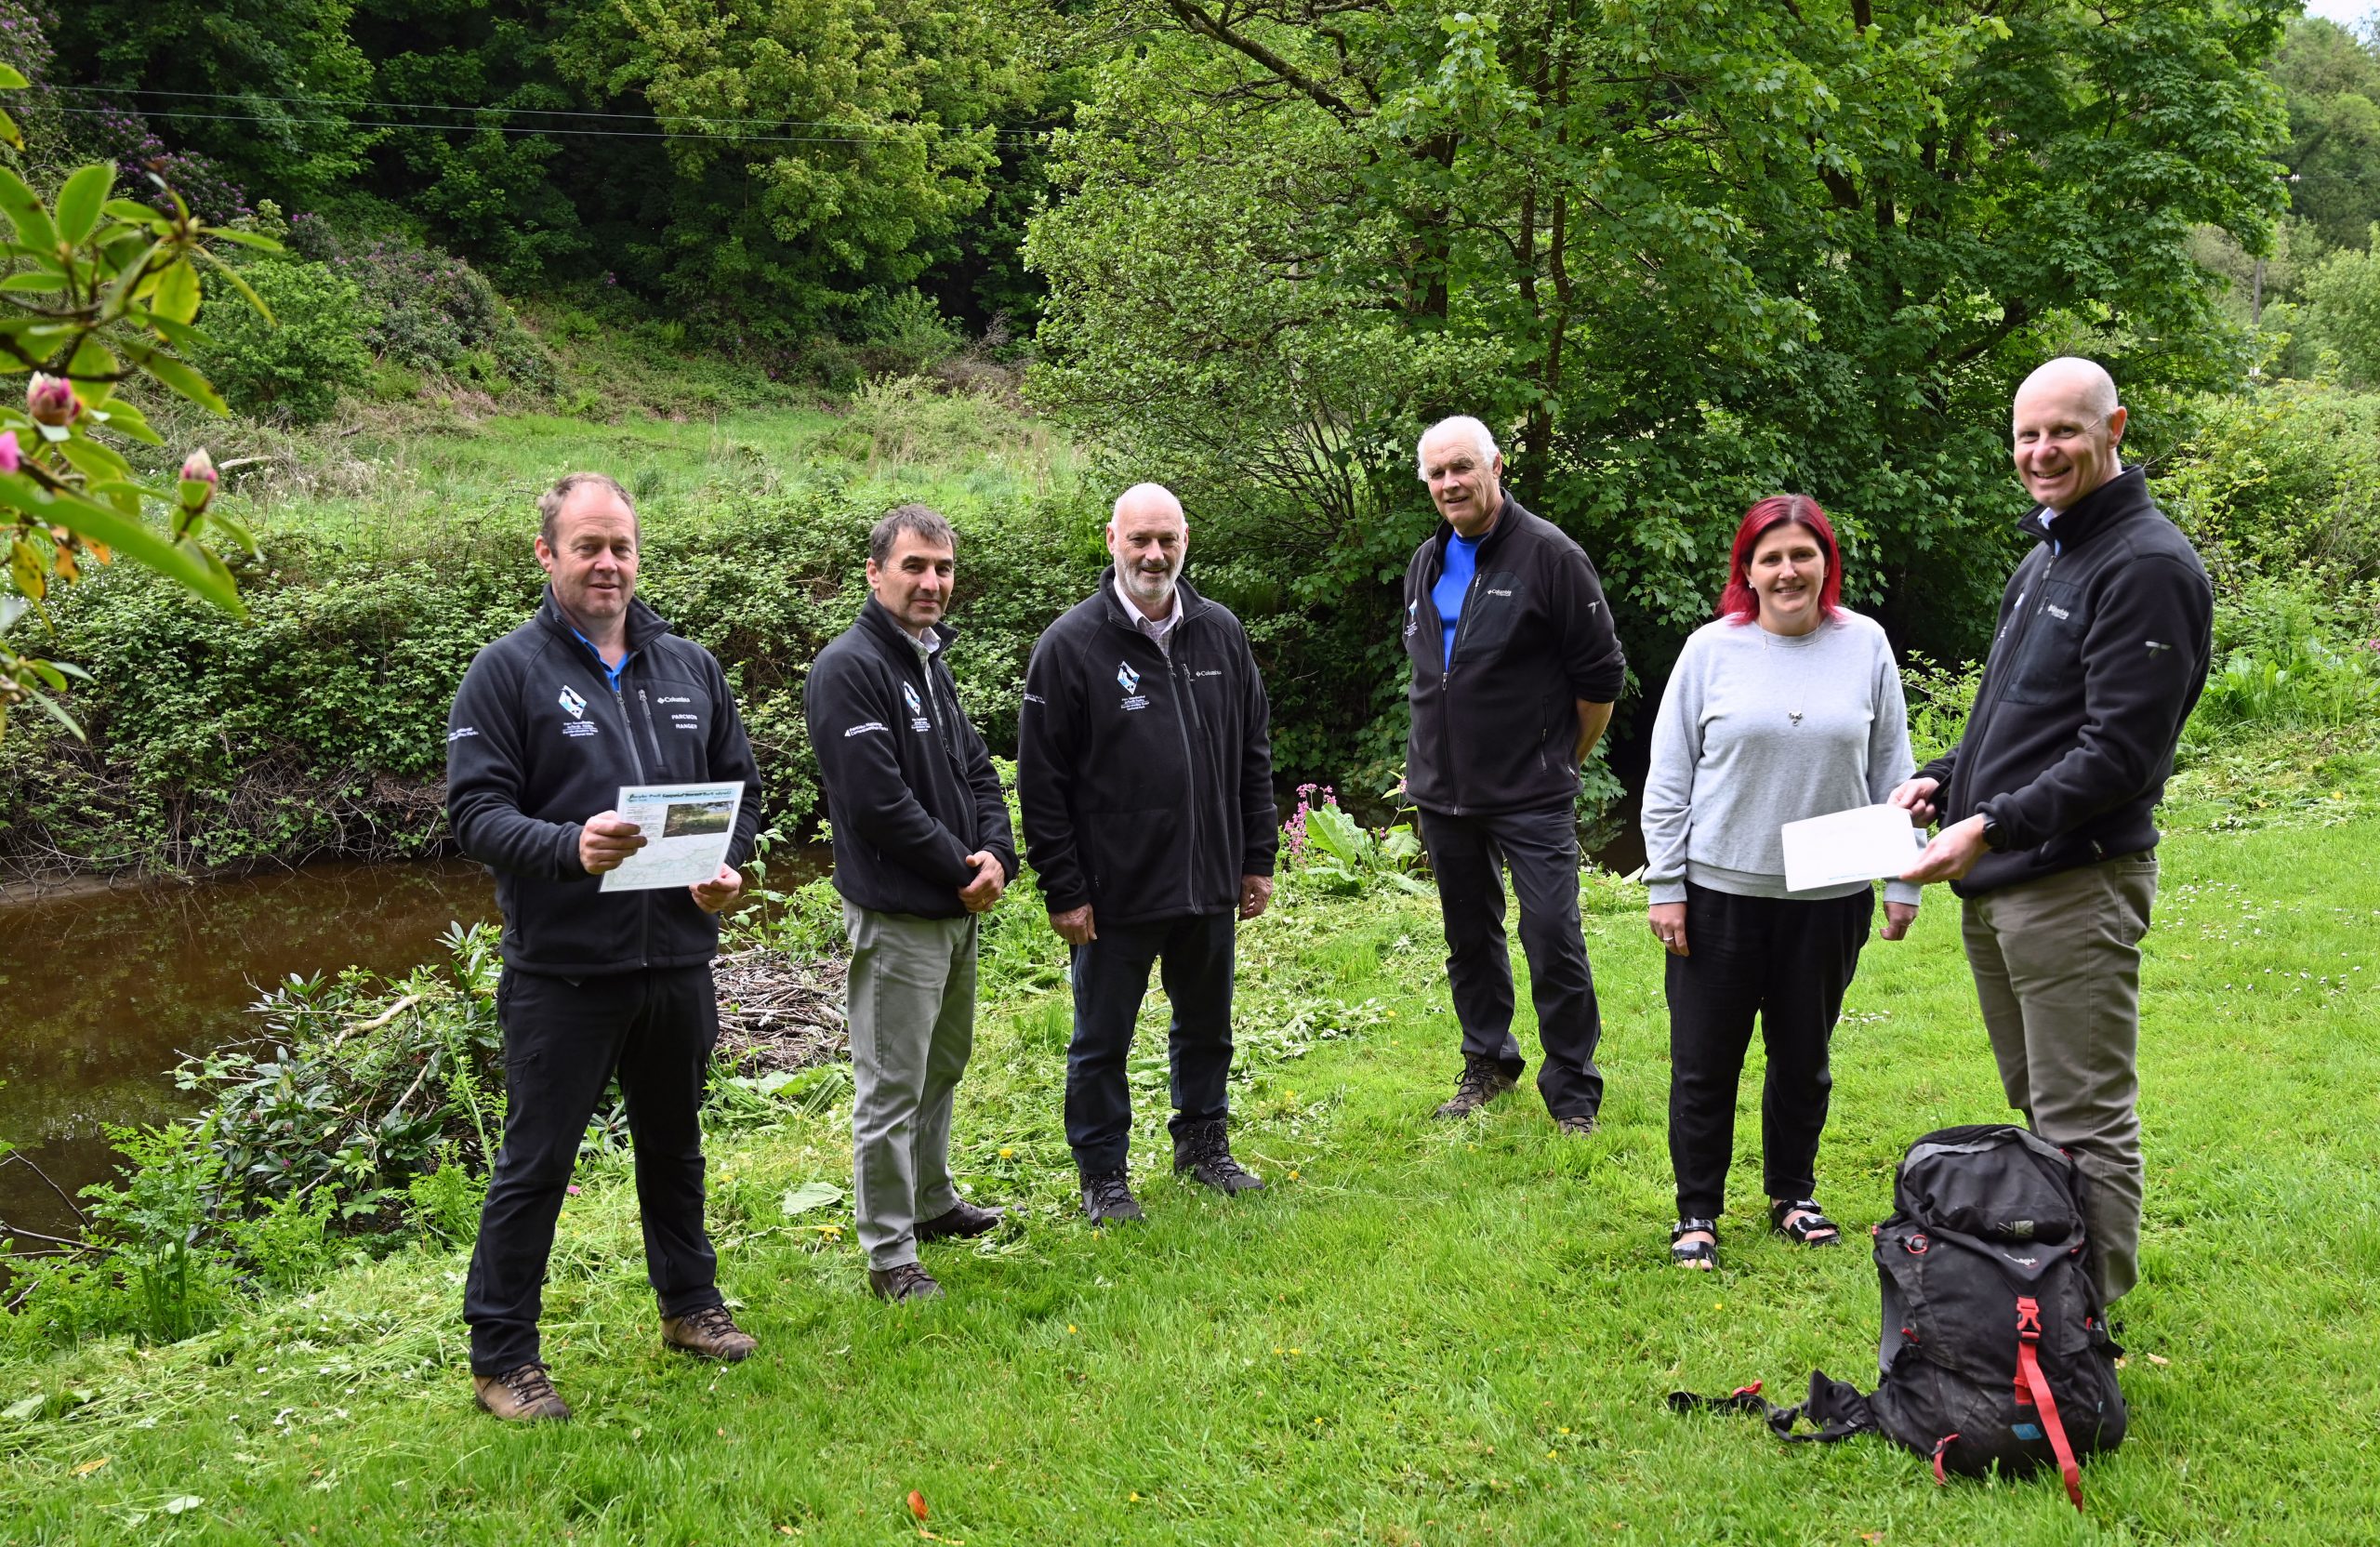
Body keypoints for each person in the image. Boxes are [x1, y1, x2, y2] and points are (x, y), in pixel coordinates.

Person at [445, 471, 765, 1423]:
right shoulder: (504, 672)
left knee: (675, 1145)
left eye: (620, 545)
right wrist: (567, 847)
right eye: (587, 546)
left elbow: (735, 793)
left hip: (674, 957)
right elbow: (474, 813)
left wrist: (729, 868)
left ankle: (689, 1305)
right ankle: (503, 1354)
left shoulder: (689, 667)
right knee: (535, 1162)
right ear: (548, 555)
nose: (608, 563)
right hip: (562, 972)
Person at [1894, 357, 2214, 1307]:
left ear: (2113, 425)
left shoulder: (2146, 565)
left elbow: (2120, 753)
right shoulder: (2048, 554)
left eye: (2063, 431)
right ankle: (2057, 1303)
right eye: (2027, 436)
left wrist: (1988, 825)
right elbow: (2011, 712)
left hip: (2071, 881)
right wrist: (1943, 777)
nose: (2042, 451)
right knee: (2040, 1107)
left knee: (2085, 1121)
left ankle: (2090, 1329)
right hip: (2004, 881)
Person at [1641, 495, 1921, 1270]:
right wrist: (1666, 883)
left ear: (1826, 562)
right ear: (1748, 570)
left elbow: (1894, 771)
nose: (1788, 570)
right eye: (1771, 557)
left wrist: (1905, 877)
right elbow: (1668, 779)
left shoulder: (1865, 644)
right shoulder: (1709, 650)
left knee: (1804, 1058)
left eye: (1803, 554)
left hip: (1827, 902)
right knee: (1705, 1062)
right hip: (1717, 897)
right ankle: (1697, 1211)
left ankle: (1793, 1195)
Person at [1018, 483, 1279, 1224]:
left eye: (1166, 539)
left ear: (1186, 540)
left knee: (1207, 1025)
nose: (1154, 555)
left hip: (1207, 879)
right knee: (1101, 1040)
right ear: (1112, 542)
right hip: (1114, 891)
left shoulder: (1220, 632)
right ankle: (1103, 1176)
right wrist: (1064, 889)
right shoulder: (1071, 645)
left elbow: (1252, 751)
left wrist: (1256, 855)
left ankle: (1203, 1146)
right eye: (1140, 540)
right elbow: (1043, 785)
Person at [805, 503, 1017, 1303]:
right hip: (900, 913)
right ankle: (890, 1253)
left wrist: (999, 853)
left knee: (942, 1064)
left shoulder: (930, 661)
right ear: (875, 572)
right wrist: (961, 866)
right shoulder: (848, 668)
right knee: (891, 1082)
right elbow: (875, 802)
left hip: (955, 908)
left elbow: (975, 771)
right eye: (915, 567)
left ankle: (931, 1201)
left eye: (944, 568)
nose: (932, 582)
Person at [1401, 416, 1627, 1131]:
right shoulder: (1425, 563)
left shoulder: (1551, 557)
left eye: (1461, 467)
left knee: (1553, 934)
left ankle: (1573, 1093)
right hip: (1442, 793)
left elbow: (1600, 683)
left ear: (1496, 465)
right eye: (1436, 474)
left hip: (1530, 793)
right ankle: (1488, 1064)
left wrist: (1558, 758)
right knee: (1469, 937)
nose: (1449, 484)